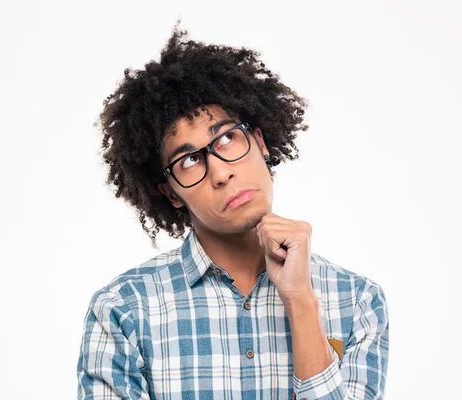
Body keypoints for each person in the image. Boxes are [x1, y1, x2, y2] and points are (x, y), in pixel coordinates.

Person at [76, 20, 389, 399]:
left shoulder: (356, 301)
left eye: (226, 138)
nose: (221, 171)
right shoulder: (124, 311)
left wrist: (301, 302)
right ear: (170, 192)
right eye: (189, 160)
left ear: (259, 142)